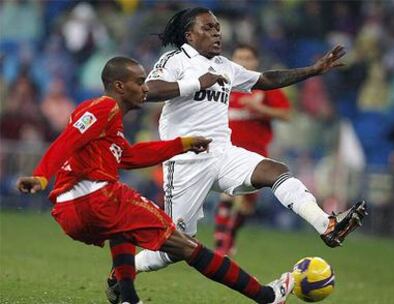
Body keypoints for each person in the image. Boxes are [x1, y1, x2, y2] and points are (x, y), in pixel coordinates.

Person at [17, 56, 295, 304]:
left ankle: (127, 297)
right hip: (98, 197)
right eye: (139, 82)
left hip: (69, 213)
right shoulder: (103, 108)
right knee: (186, 246)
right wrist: (41, 176)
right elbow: (68, 139)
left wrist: (182, 143)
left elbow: (130, 157)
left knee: (121, 230)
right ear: (119, 86)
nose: (146, 88)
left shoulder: (110, 125)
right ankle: (267, 296)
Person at [130, 7, 367, 278]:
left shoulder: (223, 66)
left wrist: (312, 70)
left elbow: (265, 79)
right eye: (207, 28)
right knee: (176, 246)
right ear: (189, 35)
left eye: (217, 27)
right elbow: (148, 91)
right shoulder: (175, 60)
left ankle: (326, 224)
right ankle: (124, 270)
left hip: (222, 154)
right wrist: (196, 83)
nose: (216, 32)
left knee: (275, 170)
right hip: (186, 159)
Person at [213, 44, 292, 255]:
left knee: (247, 204)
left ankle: (230, 235)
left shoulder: (264, 86)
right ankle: (221, 242)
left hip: (256, 153)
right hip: (227, 149)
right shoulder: (223, 84)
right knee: (226, 194)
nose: (243, 62)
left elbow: (286, 115)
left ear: (255, 62)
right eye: (238, 57)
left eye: (247, 58)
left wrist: (260, 109)